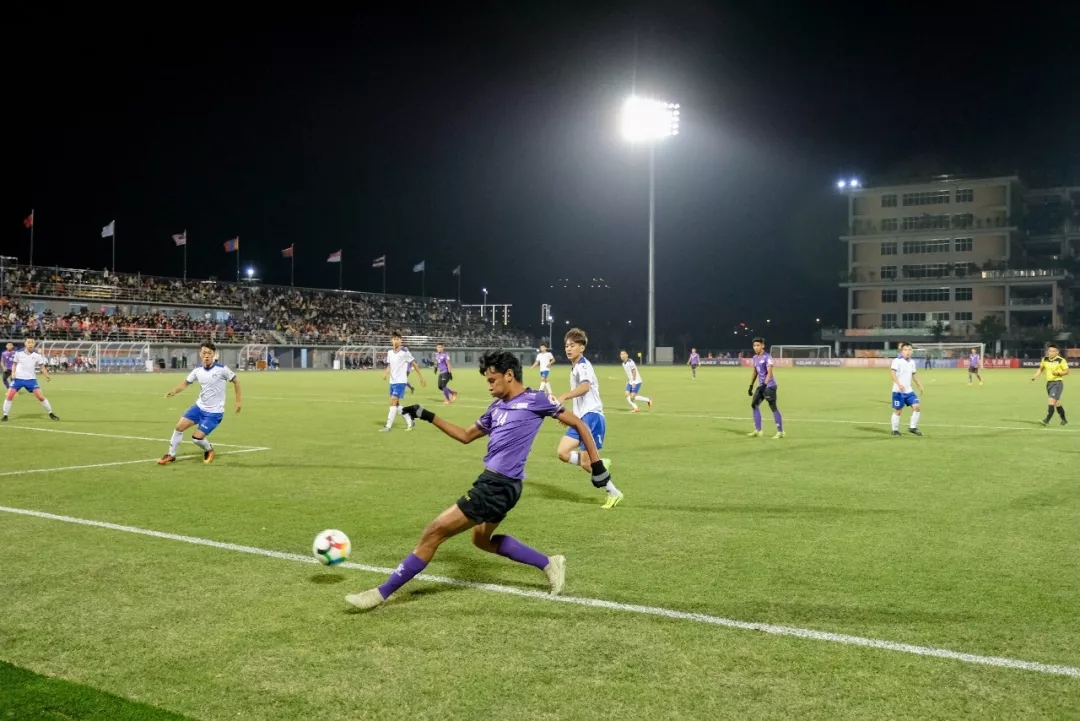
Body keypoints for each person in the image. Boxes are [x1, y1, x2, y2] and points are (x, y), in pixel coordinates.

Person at [345, 349, 611, 611]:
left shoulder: (536, 400)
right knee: (481, 540)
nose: (489, 386)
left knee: (433, 532)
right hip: (502, 485)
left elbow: (579, 424)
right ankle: (549, 563)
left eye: (492, 379)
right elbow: (465, 435)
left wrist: (597, 465)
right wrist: (427, 415)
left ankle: (379, 594)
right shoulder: (495, 408)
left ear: (509, 375)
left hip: (497, 486)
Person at [555, 328, 620, 508]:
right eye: (566, 346)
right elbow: (581, 399)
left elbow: (585, 387)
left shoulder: (583, 366)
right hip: (581, 418)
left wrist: (564, 396)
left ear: (582, 348)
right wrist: (570, 417)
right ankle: (599, 462)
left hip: (592, 417)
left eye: (572, 345)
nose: (568, 349)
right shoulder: (575, 367)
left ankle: (614, 492)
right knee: (562, 452)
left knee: (585, 462)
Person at [158, 341, 241, 464]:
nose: (206, 356)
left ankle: (209, 449)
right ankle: (171, 455)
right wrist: (174, 391)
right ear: (200, 354)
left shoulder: (222, 369)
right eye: (204, 353)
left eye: (209, 353)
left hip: (214, 413)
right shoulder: (198, 370)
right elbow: (186, 383)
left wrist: (238, 401)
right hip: (199, 408)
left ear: (214, 354)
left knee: (196, 438)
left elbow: (236, 381)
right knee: (179, 428)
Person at [2, 338, 59, 422]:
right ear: (25, 344)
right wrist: (13, 373)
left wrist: (47, 376)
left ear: (34, 344)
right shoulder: (18, 354)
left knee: (40, 397)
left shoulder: (37, 356)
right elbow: (14, 365)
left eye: (32, 342)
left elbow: (42, 367)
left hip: (31, 380)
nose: (31, 344)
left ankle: (51, 413)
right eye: (29, 342)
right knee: (9, 396)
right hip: (18, 379)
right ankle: (5, 415)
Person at [382, 332, 425, 432]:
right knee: (396, 405)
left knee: (393, 402)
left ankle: (388, 426)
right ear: (391, 340)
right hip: (392, 382)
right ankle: (410, 420)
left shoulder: (405, 352)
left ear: (401, 341)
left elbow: (414, 364)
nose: (396, 341)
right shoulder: (390, 352)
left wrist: (421, 377)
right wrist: (385, 373)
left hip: (401, 382)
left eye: (398, 339)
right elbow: (390, 365)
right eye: (394, 339)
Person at [747, 337, 783, 438]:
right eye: (754, 345)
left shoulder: (767, 357)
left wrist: (764, 385)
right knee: (754, 405)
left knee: (773, 407)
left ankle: (780, 432)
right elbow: (755, 372)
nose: (756, 347)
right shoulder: (755, 357)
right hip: (761, 386)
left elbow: (769, 374)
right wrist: (751, 385)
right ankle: (758, 430)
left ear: (762, 346)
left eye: (758, 345)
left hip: (769, 386)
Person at [890, 342, 924, 436]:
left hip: (909, 391)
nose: (907, 352)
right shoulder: (897, 361)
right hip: (898, 391)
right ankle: (895, 430)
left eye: (909, 350)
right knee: (898, 411)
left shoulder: (912, 362)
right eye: (905, 350)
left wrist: (920, 385)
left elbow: (914, 375)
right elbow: (892, 373)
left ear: (912, 351)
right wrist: (898, 384)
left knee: (917, 407)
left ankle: (912, 427)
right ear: (901, 351)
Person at [1031, 344, 1068, 426]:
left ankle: (1046, 420)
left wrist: (1059, 373)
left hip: (1057, 383)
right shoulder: (1045, 359)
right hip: (1049, 384)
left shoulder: (1061, 360)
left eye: (1053, 351)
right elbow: (1041, 369)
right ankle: (1064, 420)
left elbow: (1066, 371)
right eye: (1049, 351)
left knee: (1051, 401)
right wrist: (1035, 376)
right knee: (1056, 403)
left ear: (1057, 352)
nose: (1050, 353)